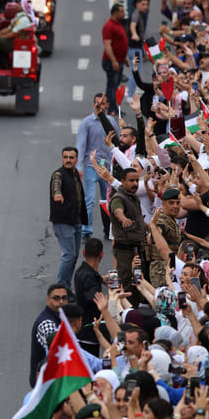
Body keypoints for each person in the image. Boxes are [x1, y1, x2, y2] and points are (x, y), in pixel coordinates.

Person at [75, 93, 117, 241]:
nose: (102, 106)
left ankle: (108, 229)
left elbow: (118, 142)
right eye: (99, 103)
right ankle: (87, 230)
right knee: (90, 200)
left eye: (104, 103)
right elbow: (80, 145)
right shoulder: (87, 123)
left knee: (108, 201)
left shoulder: (111, 121)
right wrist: (79, 167)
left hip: (107, 168)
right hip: (90, 166)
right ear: (94, 105)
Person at [51, 147, 88, 291]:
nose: (68, 160)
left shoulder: (75, 175)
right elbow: (56, 185)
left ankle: (66, 287)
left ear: (76, 160)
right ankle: (62, 288)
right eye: (65, 157)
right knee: (69, 255)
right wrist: (57, 194)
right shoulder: (58, 174)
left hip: (76, 221)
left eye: (71, 157)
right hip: (63, 221)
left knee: (73, 256)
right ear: (62, 159)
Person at [109, 167, 147, 301]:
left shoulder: (133, 198)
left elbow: (137, 219)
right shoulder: (119, 198)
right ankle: (124, 314)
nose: (135, 184)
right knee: (125, 282)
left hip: (137, 248)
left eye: (137, 180)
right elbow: (117, 211)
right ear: (122, 181)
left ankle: (134, 311)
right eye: (131, 181)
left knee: (137, 280)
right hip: (124, 251)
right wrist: (123, 219)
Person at [29, 284, 68, 387]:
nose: (61, 302)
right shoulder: (47, 323)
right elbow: (58, 348)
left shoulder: (60, 316)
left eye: (64, 298)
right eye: (56, 298)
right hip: (46, 382)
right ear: (48, 300)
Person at [74, 238, 105, 356]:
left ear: (83, 253)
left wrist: (102, 279)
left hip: (84, 329)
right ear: (101, 255)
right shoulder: (88, 277)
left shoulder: (81, 272)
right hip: (88, 331)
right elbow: (94, 298)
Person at [148, 189, 182, 288]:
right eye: (171, 203)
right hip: (161, 269)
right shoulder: (162, 220)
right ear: (163, 204)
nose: (175, 206)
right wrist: (154, 233)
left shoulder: (171, 219)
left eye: (178, 203)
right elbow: (158, 230)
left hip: (170, 266)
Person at [102, 4, 129, 116]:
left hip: (119, 60)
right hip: (112, 62)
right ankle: (111, 109)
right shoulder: (109, 26)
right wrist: (114, 61)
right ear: (115, 13)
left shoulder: (118, 24)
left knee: (115, 85)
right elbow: (107, 45)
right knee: (112, 86)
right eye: (121, 12)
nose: (124, 14)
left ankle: (113, 107)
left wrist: (124, 58)